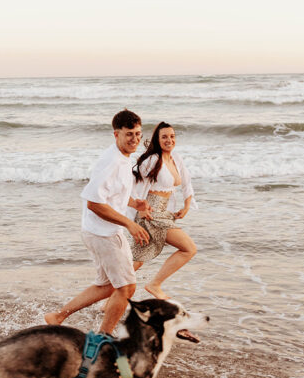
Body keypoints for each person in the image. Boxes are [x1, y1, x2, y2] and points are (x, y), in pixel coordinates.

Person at [44, 109, 152, 335]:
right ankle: (104, 336)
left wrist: (134, 203)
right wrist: (130, 224)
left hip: (97, 231)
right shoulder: (112, 162)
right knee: (126, 287)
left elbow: (111, 194)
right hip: (105, 234)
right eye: (129, 134)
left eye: (138, 134)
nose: (135, 139)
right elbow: (94, 202)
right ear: (116, 134)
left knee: (107, 286)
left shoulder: (122, 158)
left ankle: (57, 317)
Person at [129, 122, 197, 300]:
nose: (169, 140)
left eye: (172, 136)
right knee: (189, 248)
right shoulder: (152, 160)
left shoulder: (176, 158)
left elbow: (187, 183)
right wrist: (140, 209)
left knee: (136, 261)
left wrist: (187, 206)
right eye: (164, 137)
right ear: (157, 140)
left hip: (164, 212)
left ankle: (107, 301)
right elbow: (131, 185)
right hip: (151, 213)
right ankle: (154, 284)